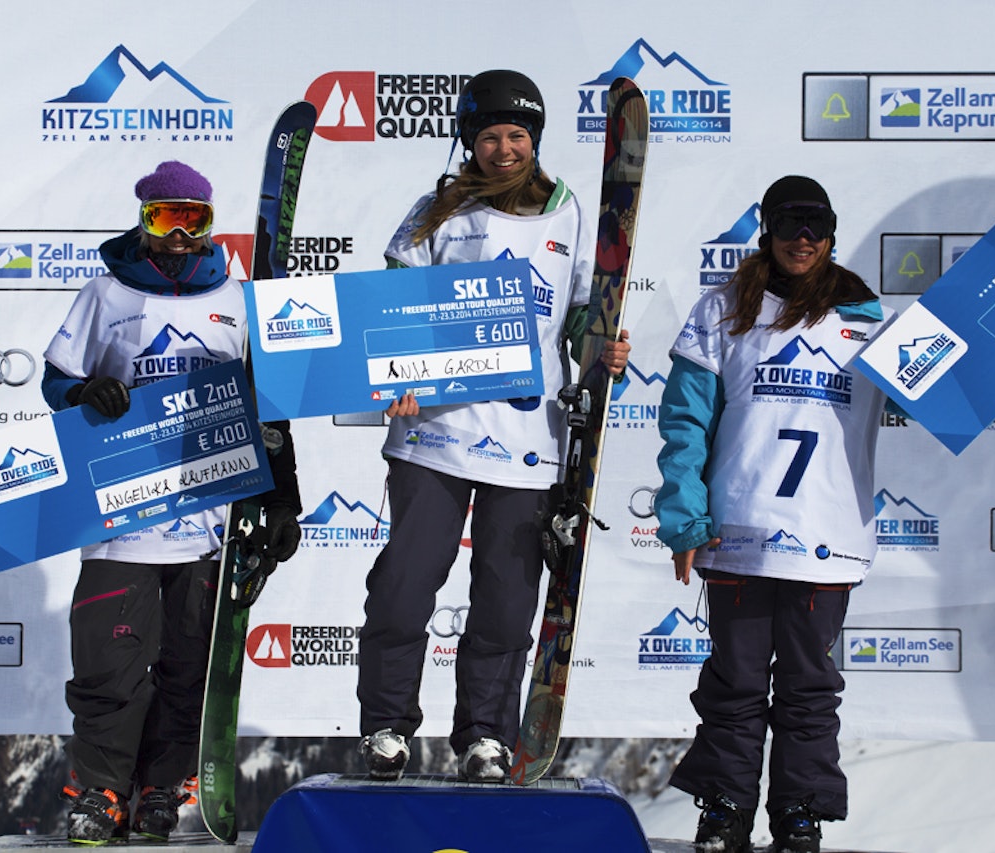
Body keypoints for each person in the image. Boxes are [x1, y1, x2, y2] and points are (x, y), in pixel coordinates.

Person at [653, 175, 995, 853]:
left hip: (826, 538)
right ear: (768, 230)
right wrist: (684, 521)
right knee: (735, 684)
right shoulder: (725, 308)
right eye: (790, 225)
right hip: (738, 535)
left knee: (811, 688)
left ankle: (799, 814)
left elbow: (938, 390)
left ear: (831, 234)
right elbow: (685, 423)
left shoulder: (869, 318)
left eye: (815, 227)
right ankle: (724, 809)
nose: (803, 240)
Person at [355, 69, 631, 783]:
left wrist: (605, 349)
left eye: (517, 136)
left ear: (534, 140)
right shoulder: (437, 211)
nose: (503, 150)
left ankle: (485, 735)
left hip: (526, 440)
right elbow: (394, 302)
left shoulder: (570, 215)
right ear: (467, 141)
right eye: (488, 137)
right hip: (434, 433)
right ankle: (387, 725)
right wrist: (400, 374)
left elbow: (578, 317)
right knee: (403, 586)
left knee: (506, 601)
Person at [41, 161, 303, 843]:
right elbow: (55, 378)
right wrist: (82, 393)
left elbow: (267, 407)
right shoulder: (107, 293)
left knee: (190, 667)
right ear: (144, 220)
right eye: (164, 217)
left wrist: (282, 502)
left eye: (194, 218)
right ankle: (99, 792)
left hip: (209, 520)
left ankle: (162, 788)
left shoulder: (239, 299)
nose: (179, 233)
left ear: (209, 224)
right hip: (120, 515)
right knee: (108, 666)